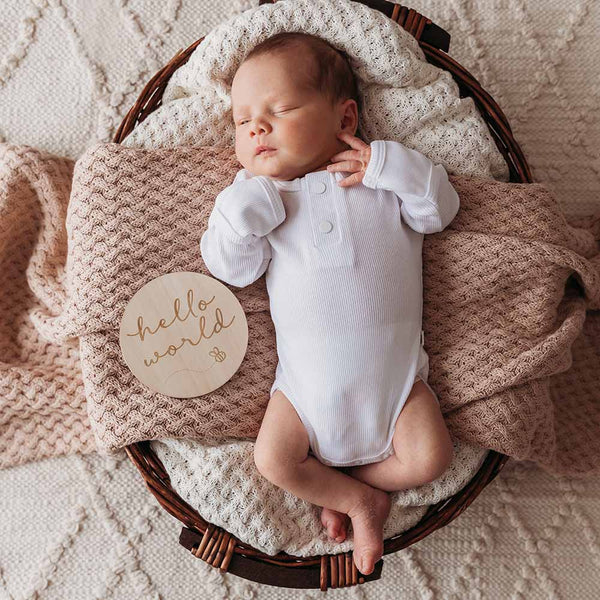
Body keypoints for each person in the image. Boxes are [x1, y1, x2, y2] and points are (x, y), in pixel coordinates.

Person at [200, 31, 459, 576]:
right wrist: (239, 213)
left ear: (345, 120)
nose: (255, 127)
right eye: (242, 120)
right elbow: (232, 269)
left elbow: (441, 210)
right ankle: (362, 502)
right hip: (303, 394)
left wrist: (391, 165)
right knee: (273, 459)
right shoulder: (262, 201)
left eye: (281, 108)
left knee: (431, 457)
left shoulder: (381, 181)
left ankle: (349, 490)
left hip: (396, 388)